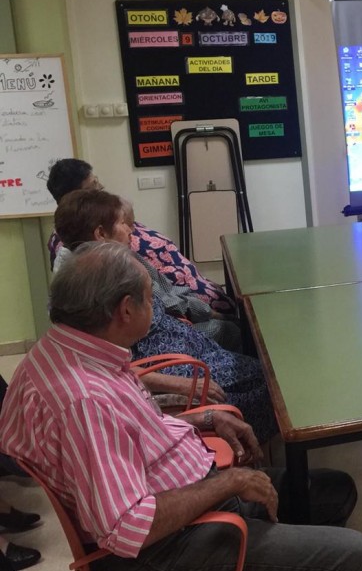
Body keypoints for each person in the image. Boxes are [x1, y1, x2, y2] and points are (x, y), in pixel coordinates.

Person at [0, 242, 362, 571]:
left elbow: (126, 430)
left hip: (177, 502)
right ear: (125, 310)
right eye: (150, 300)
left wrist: (204, 419)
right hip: (160, 552)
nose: (154, 308)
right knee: (351, 559)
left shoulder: (65, 349)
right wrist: (230, 482)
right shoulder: (85, 400)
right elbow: (129, 526)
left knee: (335, 491)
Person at [52, 189, 276, 442]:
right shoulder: (92, 287)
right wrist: (176, 384)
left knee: (268, 373)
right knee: (273, 389)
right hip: (173, 366)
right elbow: (103, 366)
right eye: (123, 223)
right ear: (101, 234)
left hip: (187, 349)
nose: (131, 229)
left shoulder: (120, 262)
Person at [46, 158, 235, 313]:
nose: (102, 188)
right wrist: (205, 313)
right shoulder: (101, 250)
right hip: (183, 311)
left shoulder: (102, 222)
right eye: (94, 186)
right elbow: (160, 299)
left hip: (188, 295)